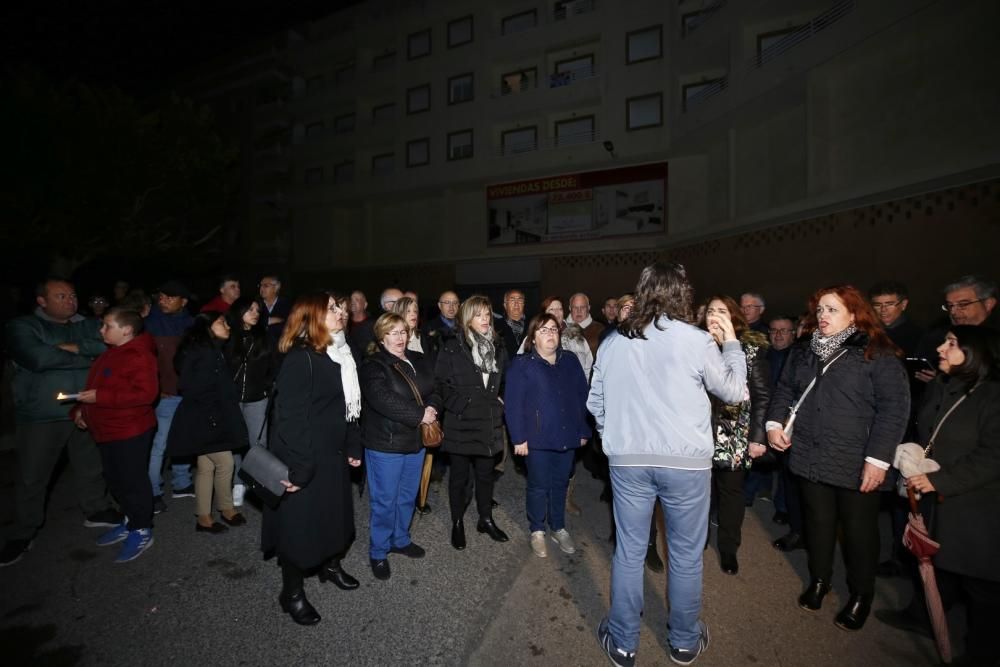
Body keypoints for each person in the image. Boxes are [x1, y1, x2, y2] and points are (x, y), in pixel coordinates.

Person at [588, 262, 747, 666]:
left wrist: (612, 440)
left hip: (628, 463)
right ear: (682, 293)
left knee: (628, 550)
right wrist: (730, 344)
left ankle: (623, 644)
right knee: (685, 555)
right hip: (686, 466)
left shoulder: (612, 342)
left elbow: (596, 403)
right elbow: (733, 391)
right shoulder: (696, 340)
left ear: (642, 294)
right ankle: (683, 641)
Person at [766, 285, 909, 631]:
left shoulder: (877, 352)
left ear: (854, 313)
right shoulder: (804, 351)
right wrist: (773, 425)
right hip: (811, 454)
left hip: (856, 459)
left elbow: (894, 409)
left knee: (859, 533)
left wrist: (877, 460)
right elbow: (785, 389)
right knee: (818, 524)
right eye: (820, 311)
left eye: (832, 310)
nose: (823, 316)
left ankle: (861, 595)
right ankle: (819, 580)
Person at [879, 326, 1000, 664]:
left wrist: (941, 481)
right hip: (940, 502)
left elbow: (993, 455)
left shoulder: (993, 396)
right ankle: (923, 616)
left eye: (951, 343)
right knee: (938, 567)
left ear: (978, 353)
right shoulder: (941, 386)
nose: (941, 348)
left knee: (983, 591)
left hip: (978, 509)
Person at [1, 278, 120, 567]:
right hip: (42, 414)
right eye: (61, 296)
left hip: (85, 406)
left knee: (91, 463)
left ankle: (96, 509)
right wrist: (86, 352)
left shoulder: (90, 324)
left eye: (73, 295)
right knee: (33, 474)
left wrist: (72, 348)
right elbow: (37, 358)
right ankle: (23, 531)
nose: (70, 300)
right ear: (41, 300)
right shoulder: (22, 326)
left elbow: (109, 352)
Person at [263, 293, 363, 625]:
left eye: (339, 307)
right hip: (303, 458)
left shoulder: (338, 353)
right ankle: (291, 593)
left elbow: (348, 408)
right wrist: (301, 469)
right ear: (312, 318)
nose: (340, 313)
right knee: (299, 529)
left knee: (334, 517)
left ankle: (330, 567)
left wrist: (352, 445)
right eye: (331, 309)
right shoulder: (300, 359)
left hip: (331, 455)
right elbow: (290, 420)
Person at [71, 308, 158, 563]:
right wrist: (81, 410)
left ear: (127, 330)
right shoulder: (111, 353)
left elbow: (145, 395)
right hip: (107, 429)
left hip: (130, 429)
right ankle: (131, 520)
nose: (101, 330)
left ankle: (142, 529)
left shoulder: (139, 355)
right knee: (115, 480)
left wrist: (100, 398)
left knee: (133, 480)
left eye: (107, 326)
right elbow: (94, 387)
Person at [359, 312, 440, 580]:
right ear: (382, 338)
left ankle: (401, 538)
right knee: (385, 500)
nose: (400, 337)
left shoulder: (418, 359)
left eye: (403, 332)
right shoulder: (374, 365)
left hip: (415, 442)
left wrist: (432, 406)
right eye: (393, 333)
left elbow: (436, 388)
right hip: (386, 445)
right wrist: (420, 415)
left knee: (407, 496)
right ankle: (379, 550)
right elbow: (382, 399)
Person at [504, 313, 590, 558]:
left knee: (560, 484)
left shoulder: (570, 361)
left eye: (553, 329)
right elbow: (513, 404)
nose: (550, 334)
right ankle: (537, 529)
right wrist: (518, 438)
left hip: (566, 435)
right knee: (539, 485)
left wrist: (583, 429)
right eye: (543, 330)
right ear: (533, 338)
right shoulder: (523, 365)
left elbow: (582, 397)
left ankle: (559, 527)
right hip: (537, 438)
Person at [699, 296, 771, 576]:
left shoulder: (749, 349)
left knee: (731, 495)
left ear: (734, 317)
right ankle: (699, 540)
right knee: (700, 494)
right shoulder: (697, 347)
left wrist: (757, 437)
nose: (715, 316)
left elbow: (763, 397)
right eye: (710, 311)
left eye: (722, 311)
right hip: (699, 434)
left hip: (734, 435)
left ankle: (728, 548)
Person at [434, 295, 510, 550]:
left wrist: (501, 399)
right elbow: (441, 384)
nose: (485, 319)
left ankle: (485, 519)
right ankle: (457, 522)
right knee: (459, 478)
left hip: (488, 422)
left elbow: (505, 381)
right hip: (461, 423)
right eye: (479, 315)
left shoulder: (498, 348)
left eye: (488, 314)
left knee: (486, 475)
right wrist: (462, 405)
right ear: (467, 318)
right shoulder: (452, 347)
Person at [167, 312, 248, 533]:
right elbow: (196, 389)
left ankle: (204, 516)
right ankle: (226, 508)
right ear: (207, 328)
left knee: (206, 466)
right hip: (207, 418)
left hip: (206, 416)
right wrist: (213, 418)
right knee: (226, 464)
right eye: (221, 322)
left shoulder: (210, 350)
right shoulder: (205, 353)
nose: (227, 325)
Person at [145, 281, 195, 513]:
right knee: (160, 445)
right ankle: (152, 492)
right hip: (164, 394)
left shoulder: (191, 324)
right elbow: (144, 363)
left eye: (170, 296)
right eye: (161, 295)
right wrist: (155, 389)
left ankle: (181, 483)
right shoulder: (149, 324)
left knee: (184, 439)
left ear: (183, 302)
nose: (163, 299)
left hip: (187, 392)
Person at [224, 296, 277, 508]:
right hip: (232, 398)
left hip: (258, 398)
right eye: (250, 309)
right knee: (237, 442)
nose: (255, 313)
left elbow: (273, 365)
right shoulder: (228, 337)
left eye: (257, 310)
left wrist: (267, 387)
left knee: (258, 443)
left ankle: (260, 484)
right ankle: (238, 482)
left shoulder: (264, 336)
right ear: (239, 312)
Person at [868, 281, 923, 357]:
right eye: (877, 305)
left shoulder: (919, 337)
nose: (883, 309)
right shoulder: (866, 332)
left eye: (890, 304)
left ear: (904, 304)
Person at [393, 296, 439, 366]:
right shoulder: (391, 341)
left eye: (415, 311)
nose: (413, 314)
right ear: (398, 314)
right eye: (408, 311)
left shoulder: (427, 340)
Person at [494, 289, 527, 359]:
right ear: (505, 305)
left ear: (524, 304)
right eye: (512, 300)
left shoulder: (533, 325)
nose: (516, 304)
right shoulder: (495, 327)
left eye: (520, 300)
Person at [569, 292, 604, 358]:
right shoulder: (561, 328)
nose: (579, 311)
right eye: (575, 307)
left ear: (588, 308)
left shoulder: (600, 329)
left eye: (582, 307)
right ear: (570, 308)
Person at [258, 274, 291, 344]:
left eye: (266, 286)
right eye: (260, 285)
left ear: (276, 288)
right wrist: (268, 321)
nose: (261, 288)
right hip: (259, 348)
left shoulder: (287, 304)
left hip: (280, 347)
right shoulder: (255, 304)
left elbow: (289, 325)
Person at [348, 290, 376, 359]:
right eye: (351, 300)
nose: (352, 302)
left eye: (357, 300)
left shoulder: (374, 325)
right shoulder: (344, 325)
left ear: (365, 305)